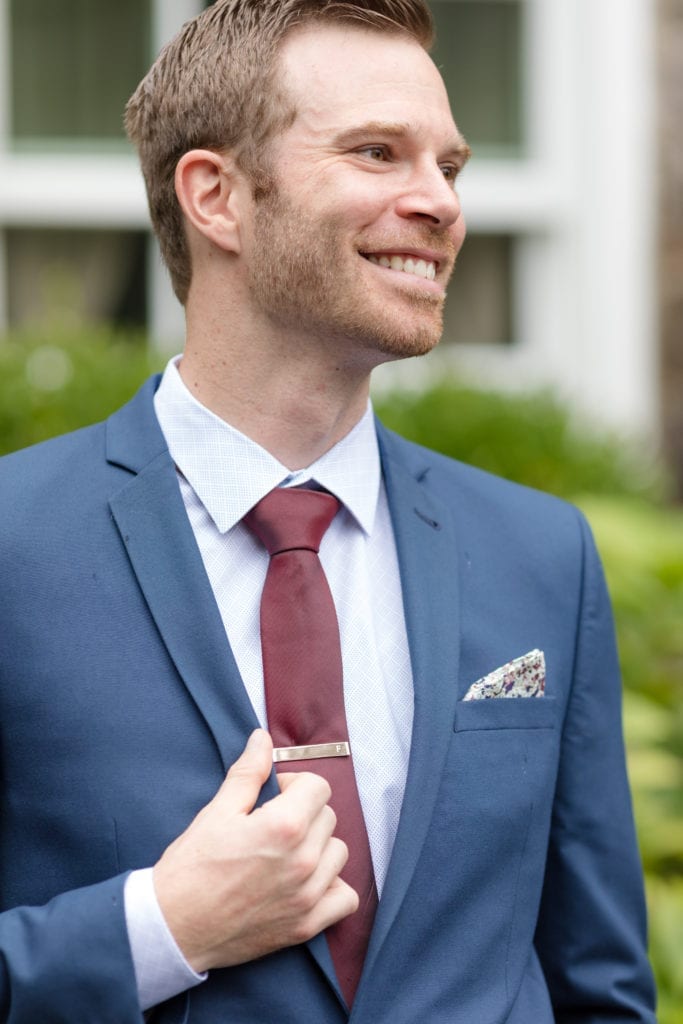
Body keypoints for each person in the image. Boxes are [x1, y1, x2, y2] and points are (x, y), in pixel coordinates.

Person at [0, 1, 657, 1021]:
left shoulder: (538, 553)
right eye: (377, 152)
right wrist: (159, 929)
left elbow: (597, 984)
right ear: (215, 197)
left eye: (450, 165)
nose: (438, 202)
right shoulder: (15, 542)